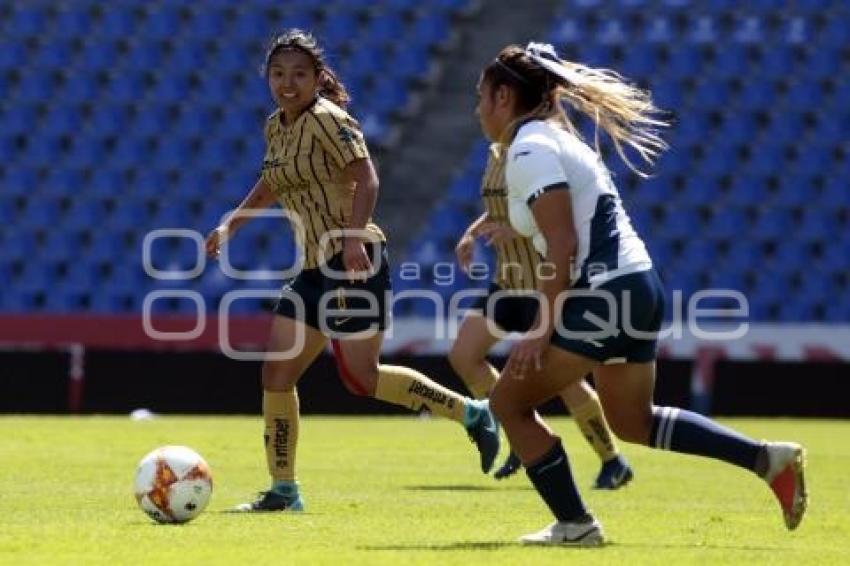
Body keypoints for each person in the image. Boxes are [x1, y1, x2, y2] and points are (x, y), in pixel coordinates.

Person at [475, 42, 807, 545]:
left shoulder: (528, 149)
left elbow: (563, 241)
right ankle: (765, 459)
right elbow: (571, 229)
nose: (477, 109)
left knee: (508, 403)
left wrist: (541, 328)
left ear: (502, 96)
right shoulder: (557, 141)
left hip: (605, 293)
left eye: (480, 97)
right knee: (633, 422)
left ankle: (576, 525)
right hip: (636, 287)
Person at [204, 29, 499, 512]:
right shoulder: (276, 126)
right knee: (276, 374)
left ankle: (471, 414)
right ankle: (283, 491)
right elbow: (272, 183)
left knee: (361, 378)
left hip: (353, 260)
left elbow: (366, 176)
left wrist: (354, 236)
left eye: (299, 74)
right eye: (278, 74)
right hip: (312, 266)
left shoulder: (329, 119)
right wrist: (231, 224)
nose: (287, 82)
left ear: (318, 78)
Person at [451, 144, 633, 488]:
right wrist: (471, 234)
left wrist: (519, 231)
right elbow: (499, 210)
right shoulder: (493, 153)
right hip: (507, 283)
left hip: (544, 286)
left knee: (564, 381)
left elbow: (560, 218)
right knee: (464, 355)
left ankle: (613, 461)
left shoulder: (534, 152)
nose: (481, 110)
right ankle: (521, 433)